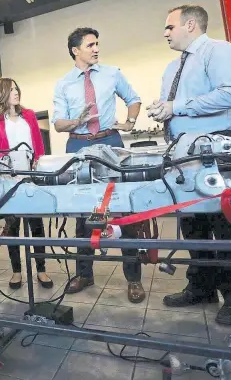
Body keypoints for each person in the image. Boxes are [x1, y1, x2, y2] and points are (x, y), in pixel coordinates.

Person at [146, 4, 231, 326]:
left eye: (169, 26)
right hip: (183, 152)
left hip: (216, 148)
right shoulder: (171, 67)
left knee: (224, 222)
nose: (165, 33)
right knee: (193, 223)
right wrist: (162, 110)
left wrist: (177, 106)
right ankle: (201, 287)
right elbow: (173, 107)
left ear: (190, 24)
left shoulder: (219, 51)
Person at [52, 27, 146, 303]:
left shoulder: (112, 73)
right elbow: (58, 124)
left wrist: (129, 122)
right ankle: (84, 274)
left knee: (122, 210)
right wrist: (76, 121)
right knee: (84, 216)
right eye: (90, 45)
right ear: (75, 50)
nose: (96, 48)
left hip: (110, 143)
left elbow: (134, 98)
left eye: (97, 44)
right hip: (78, 145)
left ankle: (134, 279)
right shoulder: (63, 83)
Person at [0, 77, 54, 289]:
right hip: (9, 177)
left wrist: (39, 163)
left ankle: (41, 270)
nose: (16, 92)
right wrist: (6, 170)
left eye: (17, 88)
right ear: (2, 93)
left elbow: (39, 145)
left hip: (31, 175)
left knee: (36, 225)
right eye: (12, 89)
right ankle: (17, 271)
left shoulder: (30, 116)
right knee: (13, 227)